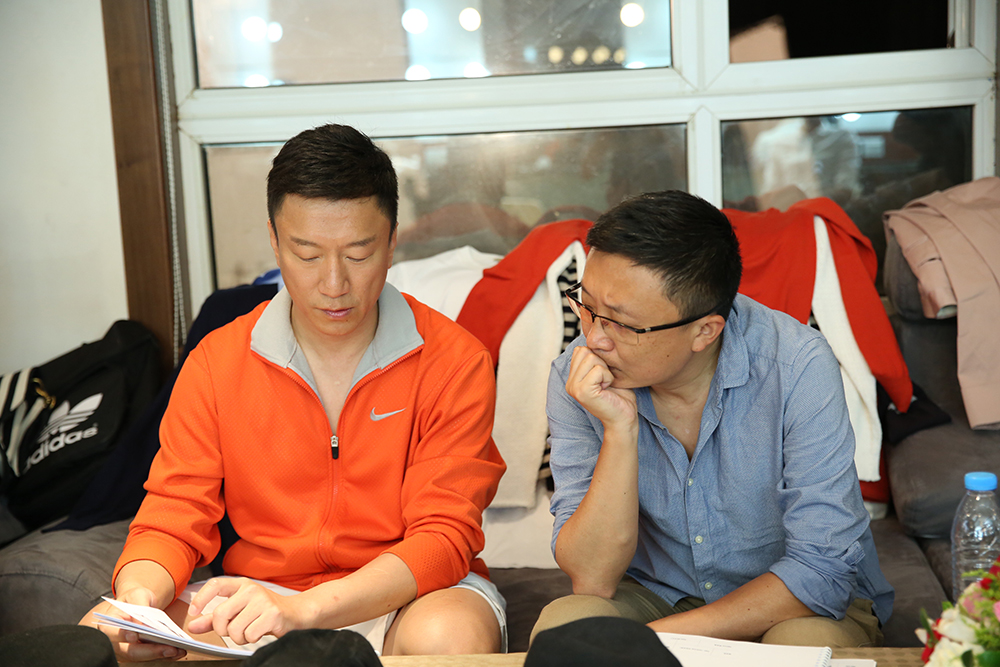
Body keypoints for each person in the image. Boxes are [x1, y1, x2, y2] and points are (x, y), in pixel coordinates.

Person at [81, 124, 508, 660]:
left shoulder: (454, 360)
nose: (333, 284)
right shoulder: (217, 361)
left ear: (392, 240)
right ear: (275, 240)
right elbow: (174, 511)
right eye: (307, 254)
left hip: (410, 594)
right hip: (265, 595)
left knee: (445, 639)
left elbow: (443, 538)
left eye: (358, 253)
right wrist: (139, 598)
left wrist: (308, 610)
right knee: (103, 635)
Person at [531, 190, 893, 647]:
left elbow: (822, 569)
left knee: (803, 645)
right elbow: (592, 579)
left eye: (622, 323)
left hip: (787, 603)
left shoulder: (796, 364)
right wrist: (619, 431)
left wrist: (651, 641)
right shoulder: (577, 374)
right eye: (586, 306)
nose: (595, 338)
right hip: (657, 594)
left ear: (705, 331)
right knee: (567, 628)